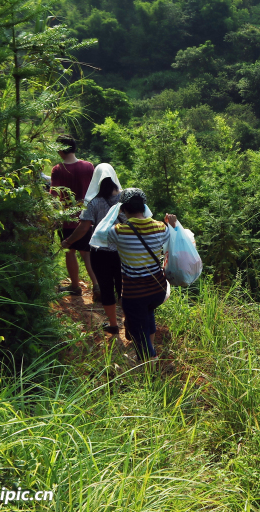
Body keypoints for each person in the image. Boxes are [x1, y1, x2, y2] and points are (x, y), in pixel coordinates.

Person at [105, 188, 176, 360]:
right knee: (148, 315)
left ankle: (149, 366)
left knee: (138, 333)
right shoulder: (161, 228)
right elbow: (171, 237)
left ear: (122, 209)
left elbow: (102, 234)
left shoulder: (118, 231)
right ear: (144, 207)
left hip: (135, 294)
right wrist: (172, 224)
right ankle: (146, 356)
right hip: (157, 290)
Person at [60, 163, 123, 335]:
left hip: (101, 252)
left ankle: (113, 324)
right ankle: (130, 323)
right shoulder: (125, 199)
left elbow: (83, 228)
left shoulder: (94, 202)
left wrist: (68, 241)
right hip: (124, 251)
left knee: (106, 286)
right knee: (123, 287)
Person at [51, 134, 96, 296]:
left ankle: (75, 286)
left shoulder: (58, 169)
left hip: (66, 219)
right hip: (86, 219)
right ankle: (97, 286)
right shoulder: (88, 166)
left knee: (69, 251)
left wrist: (53, 216)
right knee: (86, 253)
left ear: (60, 150)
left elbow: (54, 196)